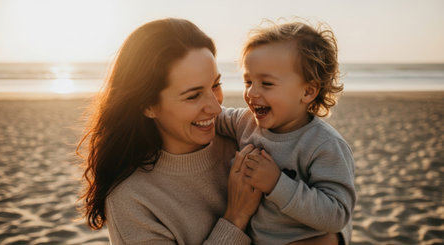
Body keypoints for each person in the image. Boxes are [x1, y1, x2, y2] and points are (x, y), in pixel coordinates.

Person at [77, 18, 263, 244]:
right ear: (148, 105)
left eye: (215, 85)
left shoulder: (246, 138)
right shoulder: (131, 199)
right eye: (193, 96)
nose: (215, 107)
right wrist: (236, 216)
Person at [216, 21, 356, 244]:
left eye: (267, 83)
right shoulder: (245, 122)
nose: (251, 92)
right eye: (248, 81)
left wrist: (277, 184)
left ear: (308, 91)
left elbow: (337, 215)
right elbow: (213, 117)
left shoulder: (323, 145)